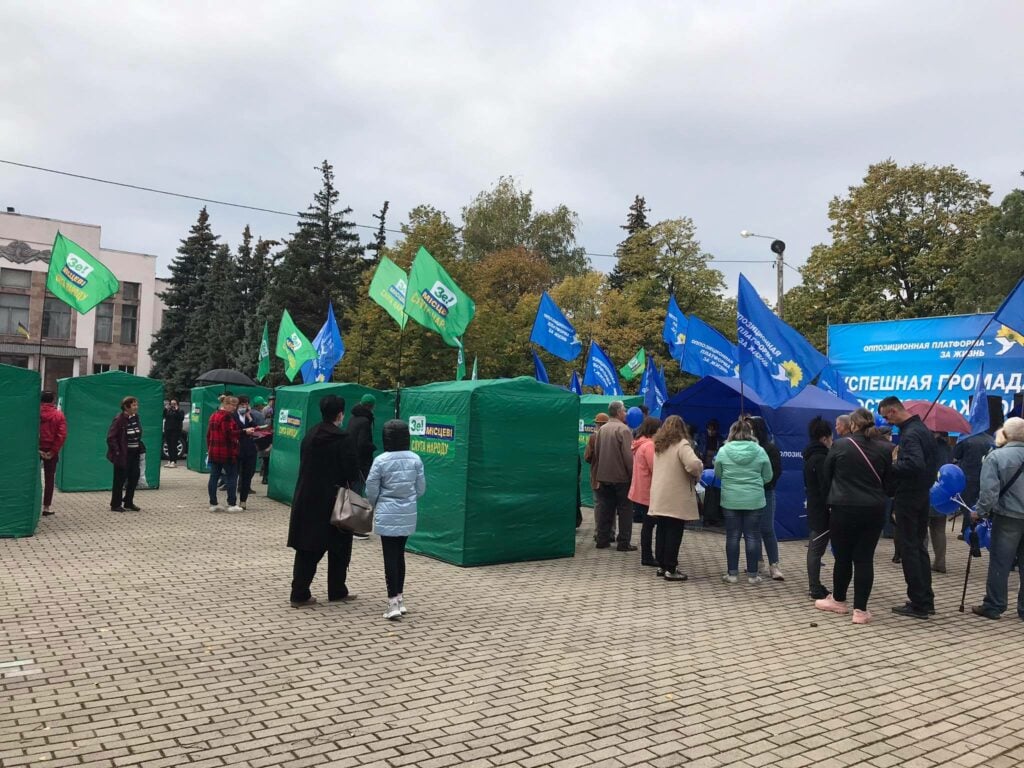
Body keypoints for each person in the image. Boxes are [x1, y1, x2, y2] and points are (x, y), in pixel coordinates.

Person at [816, 407, 894, 624]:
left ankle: (838, 600)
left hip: (843, 508)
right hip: (874, 510)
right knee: (864, 559)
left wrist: (828, 501)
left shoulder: (840, 445)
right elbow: (890, 484)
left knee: (843, 558)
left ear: (852, 424)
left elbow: (826, 477)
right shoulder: (886, 448)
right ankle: (860, 611)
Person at [287, 395, 360, 607]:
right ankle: (337, 590)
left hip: (308, 498)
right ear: (340, 414)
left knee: (307, 548)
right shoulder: (343, 438)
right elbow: (351, 471)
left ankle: (300, 592)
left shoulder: (311, 434)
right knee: (339, 547)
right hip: (335, 501)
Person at [879, 396, 938, 619]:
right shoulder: (922, 429)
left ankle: (919, 602)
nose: (887, 421)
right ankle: (925, 598)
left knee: (909, 548)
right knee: (918, 547)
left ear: (894, 411)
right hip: (923, 494)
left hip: (910, 495)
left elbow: (915, 463)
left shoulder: (911, 433)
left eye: (886, 416)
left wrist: (893, 463)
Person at [366, 419, 426, 620]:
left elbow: (371, 490)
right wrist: (407, 498)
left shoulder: (380, 460)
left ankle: (392, 603)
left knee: (389, 557)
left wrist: (375, 503)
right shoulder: (415, 459)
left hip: (386, 512)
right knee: (400, 555)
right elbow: (421, 489)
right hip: (408, 512)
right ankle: (400, 599)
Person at [971, 417, 1024, 620]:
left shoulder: (996, 457)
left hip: (1008, 516)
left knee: (1000, 562)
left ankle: (994, 605)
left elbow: (989, 493)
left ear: (1006, 434)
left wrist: (980, 512)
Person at [715, 419, 772, 584]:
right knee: (752, 536)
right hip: (754, 499)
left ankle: (732, 574)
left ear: (731, 432)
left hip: (731, 499)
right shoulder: (760, 451)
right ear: (750, 433)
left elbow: (718, 473)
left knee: (732, 536)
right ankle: (753, 575)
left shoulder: (724, 451)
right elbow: (768, 476)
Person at [648, 415, 704, 581]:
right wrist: (698, 472)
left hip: (660, 493)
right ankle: (671, 568)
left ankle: (661, 564)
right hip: (676, 495)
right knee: (674, 531)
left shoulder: (658, 445)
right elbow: (694, 464)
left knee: (662, 529)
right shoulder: (682, 444)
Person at [591, 401, 635, 551]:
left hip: (603, 476)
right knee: (625, 510)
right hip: (621, 477)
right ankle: (623, 542)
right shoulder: (624, 430)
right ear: (618, 412)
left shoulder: (602, 429)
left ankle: (602, 539)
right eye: (624, 411)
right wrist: (632, 474)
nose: (626, 413)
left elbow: (596, 452)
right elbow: (628, 457)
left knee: (605, 509)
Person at [750, 417, 784, 581]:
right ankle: (757, 561)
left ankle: (774, 565)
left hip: (766, 492)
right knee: (752, 530)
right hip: (749, 494)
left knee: (767, 529)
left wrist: (761, 482)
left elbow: (775, 472)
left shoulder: (770, 449)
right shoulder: (747, 448)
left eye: (751, 428)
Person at [803, 416, 833, 599]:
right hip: (822, 508)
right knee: (816, 548)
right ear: (824, 438)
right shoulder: (821, 459)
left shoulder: (809, 455)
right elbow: (826, 486)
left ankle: (815, 584)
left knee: (816, 547)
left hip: (814, 505)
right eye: (831, 437)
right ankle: (814, 586)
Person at [628, 416, 661, 566]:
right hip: (648, 490)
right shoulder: (649, 446)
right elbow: (656, 468)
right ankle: (647, 556)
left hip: (639, 489)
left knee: (647, 525)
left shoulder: (639, 444)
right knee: (649, 526)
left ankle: (646, 555)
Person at [347, 394, 377, 542]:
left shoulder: (353, 418)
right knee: (357, 496)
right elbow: (362, 443)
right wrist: (373, 447)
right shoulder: (365, 421)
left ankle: (348, 525)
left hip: (352, 461)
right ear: (371, 406)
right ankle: (354, 528)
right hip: (360, 463)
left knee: (353, 494)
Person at [106, 396, 144, 512]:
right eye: (134, 405)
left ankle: (128, 501)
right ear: (126, 407)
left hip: (135, 452)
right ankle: (115, 504)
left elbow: (138, 432)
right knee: (119, 479)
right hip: (123, 454)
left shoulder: (136, 417)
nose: (136, 407)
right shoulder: (119, 419)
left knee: (134, 477)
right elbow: (111, 437)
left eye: (136, 405)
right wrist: (117, 451)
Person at [954, 429, 995, 534]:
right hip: (985, 476)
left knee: (967, 504)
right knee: (981, 503)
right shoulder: (991, 439)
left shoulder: (966, 438)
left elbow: (956, 454)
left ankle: (969, 531)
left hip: (968, 475)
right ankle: (981, 529)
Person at [207, 395, 242, 513]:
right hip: (226, 452)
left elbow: (208, 435)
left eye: (235, 406)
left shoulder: (213, 415)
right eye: (233, 405)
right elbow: (229, 433)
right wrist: (244, 432)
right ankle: (231, 504)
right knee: (232, 477)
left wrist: (210, 448)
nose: (234, 408)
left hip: (214, 451)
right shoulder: (227, 417)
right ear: (226, 404)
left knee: (214, 477)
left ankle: (213, 503)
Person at [927, 432, 953, 573]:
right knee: (939, 530)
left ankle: (922, 561)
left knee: (921, 530)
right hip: (943, 493)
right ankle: (940, 562)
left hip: (927, 491)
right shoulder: (948, 448)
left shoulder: (926, 445)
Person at [583, 413, 612, 540]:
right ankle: (611, 532)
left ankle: (598, 532)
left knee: (598, 505)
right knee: (612, 505)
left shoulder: (593, 438)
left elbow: (587, 457)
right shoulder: (613, 436)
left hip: (596, 475)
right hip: (612, 476)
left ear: (598, 424)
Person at [38, 390, 67, 517]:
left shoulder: (35, 413)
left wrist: (37, 449)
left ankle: (31, 506)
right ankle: (46, 507)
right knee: (49, 479)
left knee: (32, 477)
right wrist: (52, 451)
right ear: (53, 400)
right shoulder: (58, 415)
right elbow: (61, 435)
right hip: (51, 450)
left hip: (36, 449)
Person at [234, 395, 259, 510]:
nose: (244, 407)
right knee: (234, 475)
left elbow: (255, 428)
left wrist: (249, 417)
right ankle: (232, 500)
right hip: (237, 449)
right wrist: (245, 431)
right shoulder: (233, 416)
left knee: (247, 475)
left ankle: (243, 500)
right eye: (242, 405)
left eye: (246, 405)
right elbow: (233, 431)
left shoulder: (249, 416)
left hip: (249, 450)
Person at [162, 398, 185, 468]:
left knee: (173, 446)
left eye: (174, 404)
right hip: (168, 430)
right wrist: (165, 409)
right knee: (169, 445)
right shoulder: (169, 410)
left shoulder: (180, 411)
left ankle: (174, 461)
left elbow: (181, 418)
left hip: (176, 431)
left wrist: (177, 410)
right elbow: (164, 416)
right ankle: (170, 460)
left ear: (177, 404)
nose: (173, 405)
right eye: (171, 404)